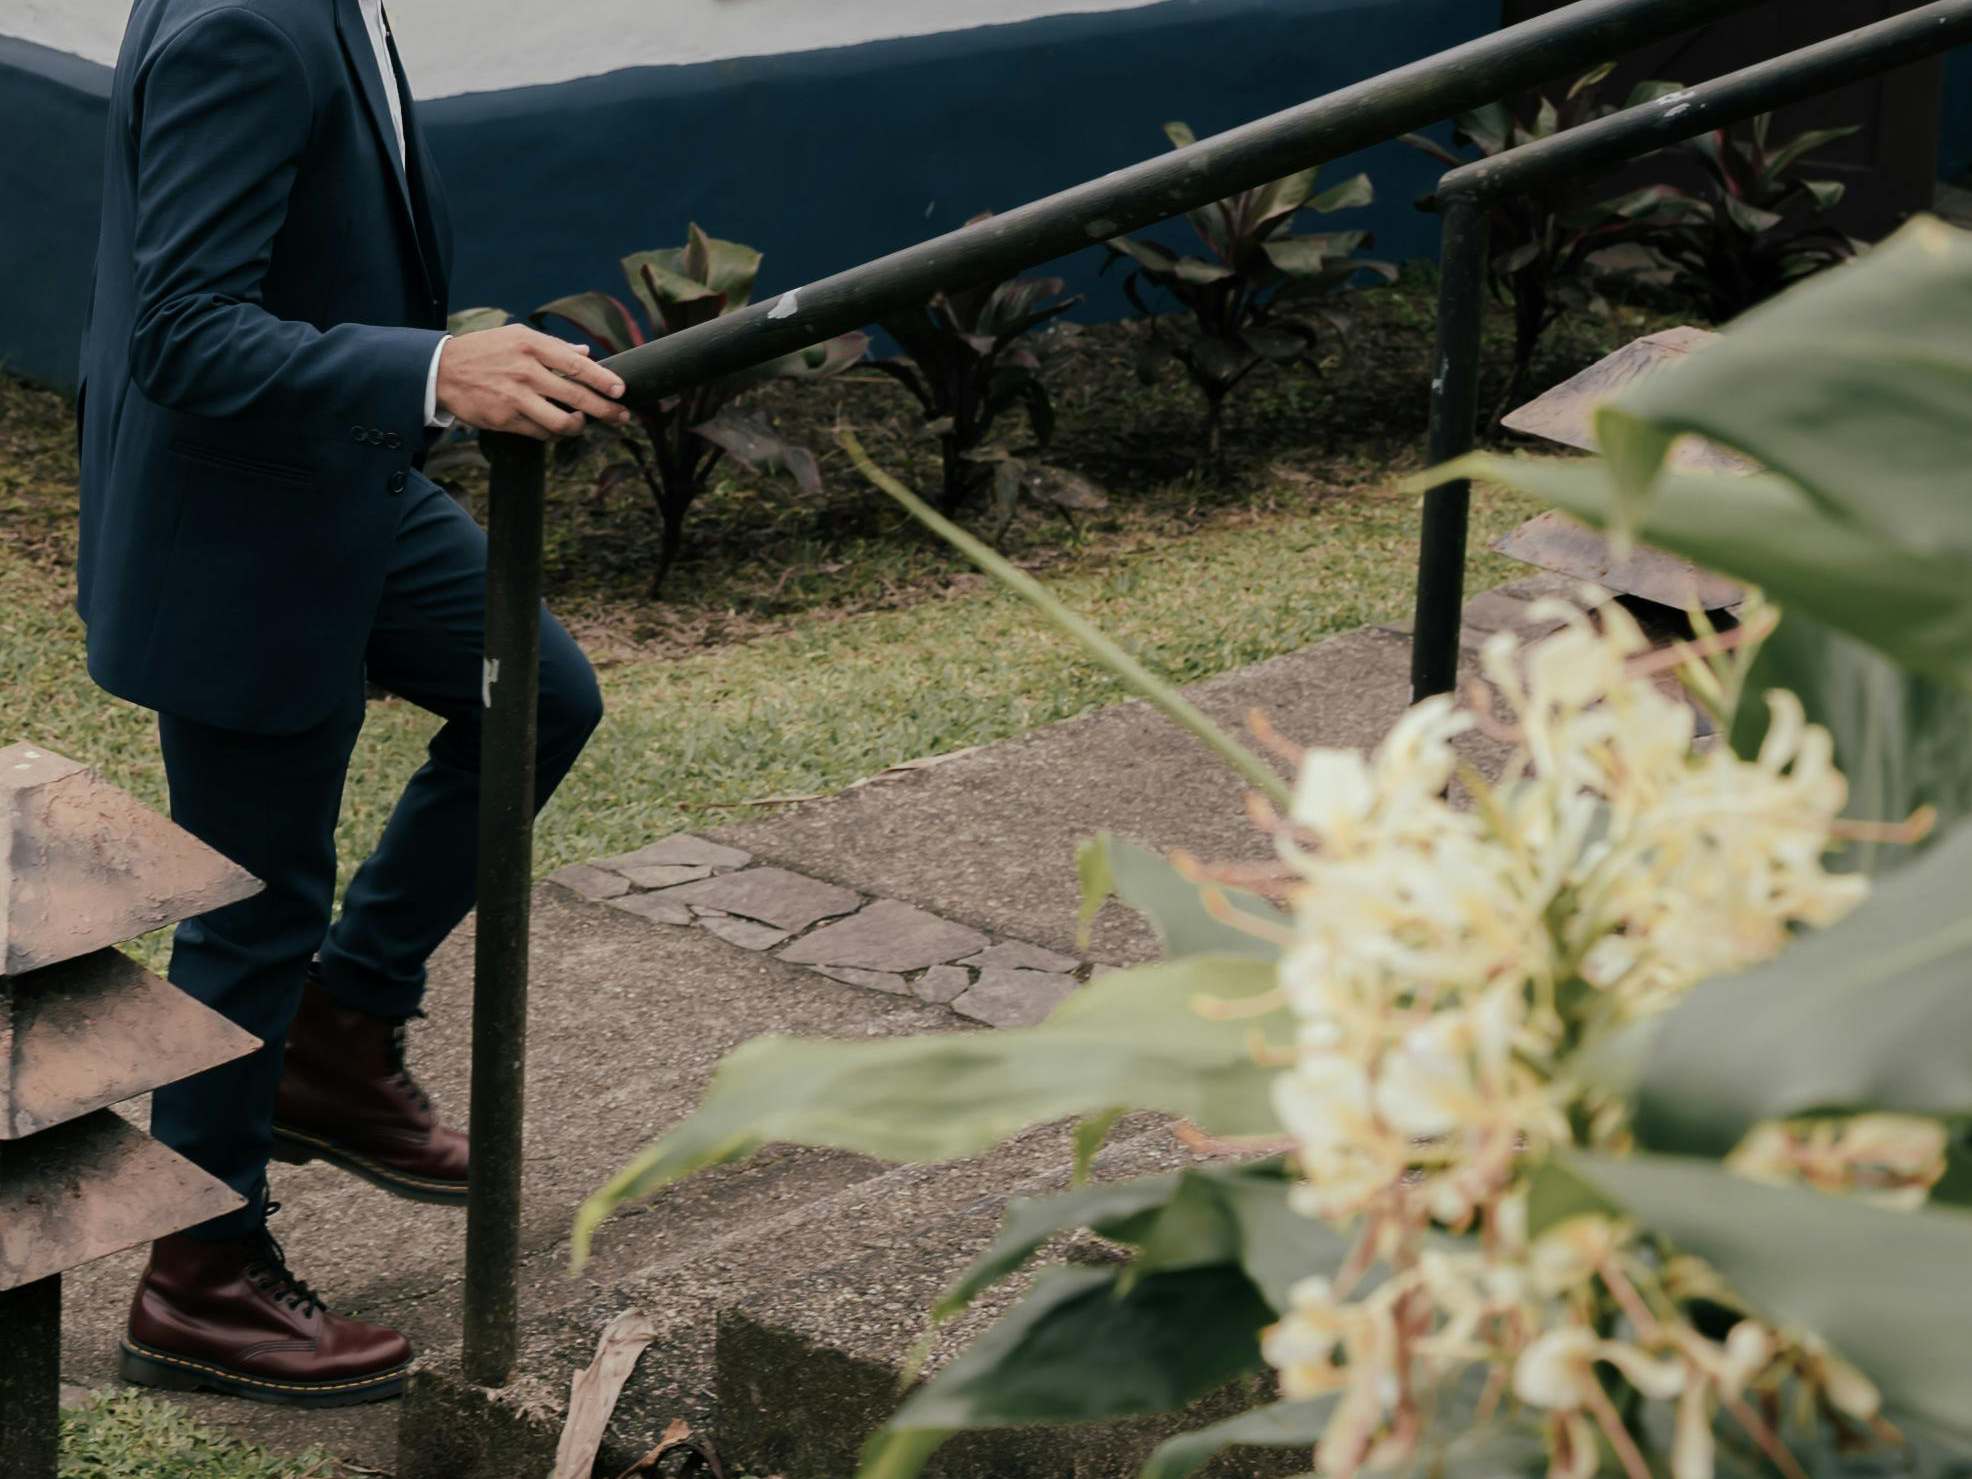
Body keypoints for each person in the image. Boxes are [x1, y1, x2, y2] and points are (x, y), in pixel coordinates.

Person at [75, 0, 627, 1407]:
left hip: (345, 488)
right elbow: (185, 332)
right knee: (255, 910)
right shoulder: (243, 26)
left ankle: (343, 1023)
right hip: (239, 534)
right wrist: (438, 369)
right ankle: (198, 1278)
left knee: (538, 699)